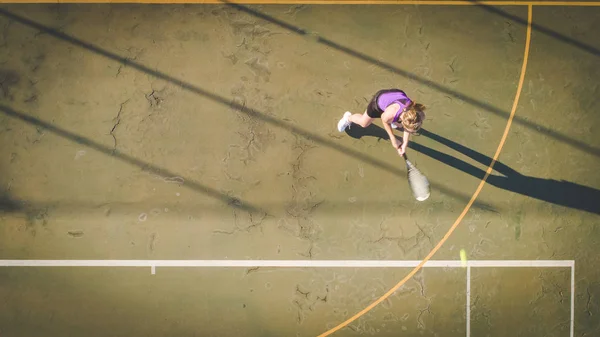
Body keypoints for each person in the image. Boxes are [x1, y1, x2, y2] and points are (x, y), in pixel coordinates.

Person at [337, 89, 426, 156]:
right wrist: (393, 138)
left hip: (393, 96)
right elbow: (384, 120)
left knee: (397, 123)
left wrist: (405, 142)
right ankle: (348, 117)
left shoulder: (415, 112)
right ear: (404, 121)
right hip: (378, 103)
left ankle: (395, 123)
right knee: (364, 123)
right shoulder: (390, 115)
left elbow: (408, 126)